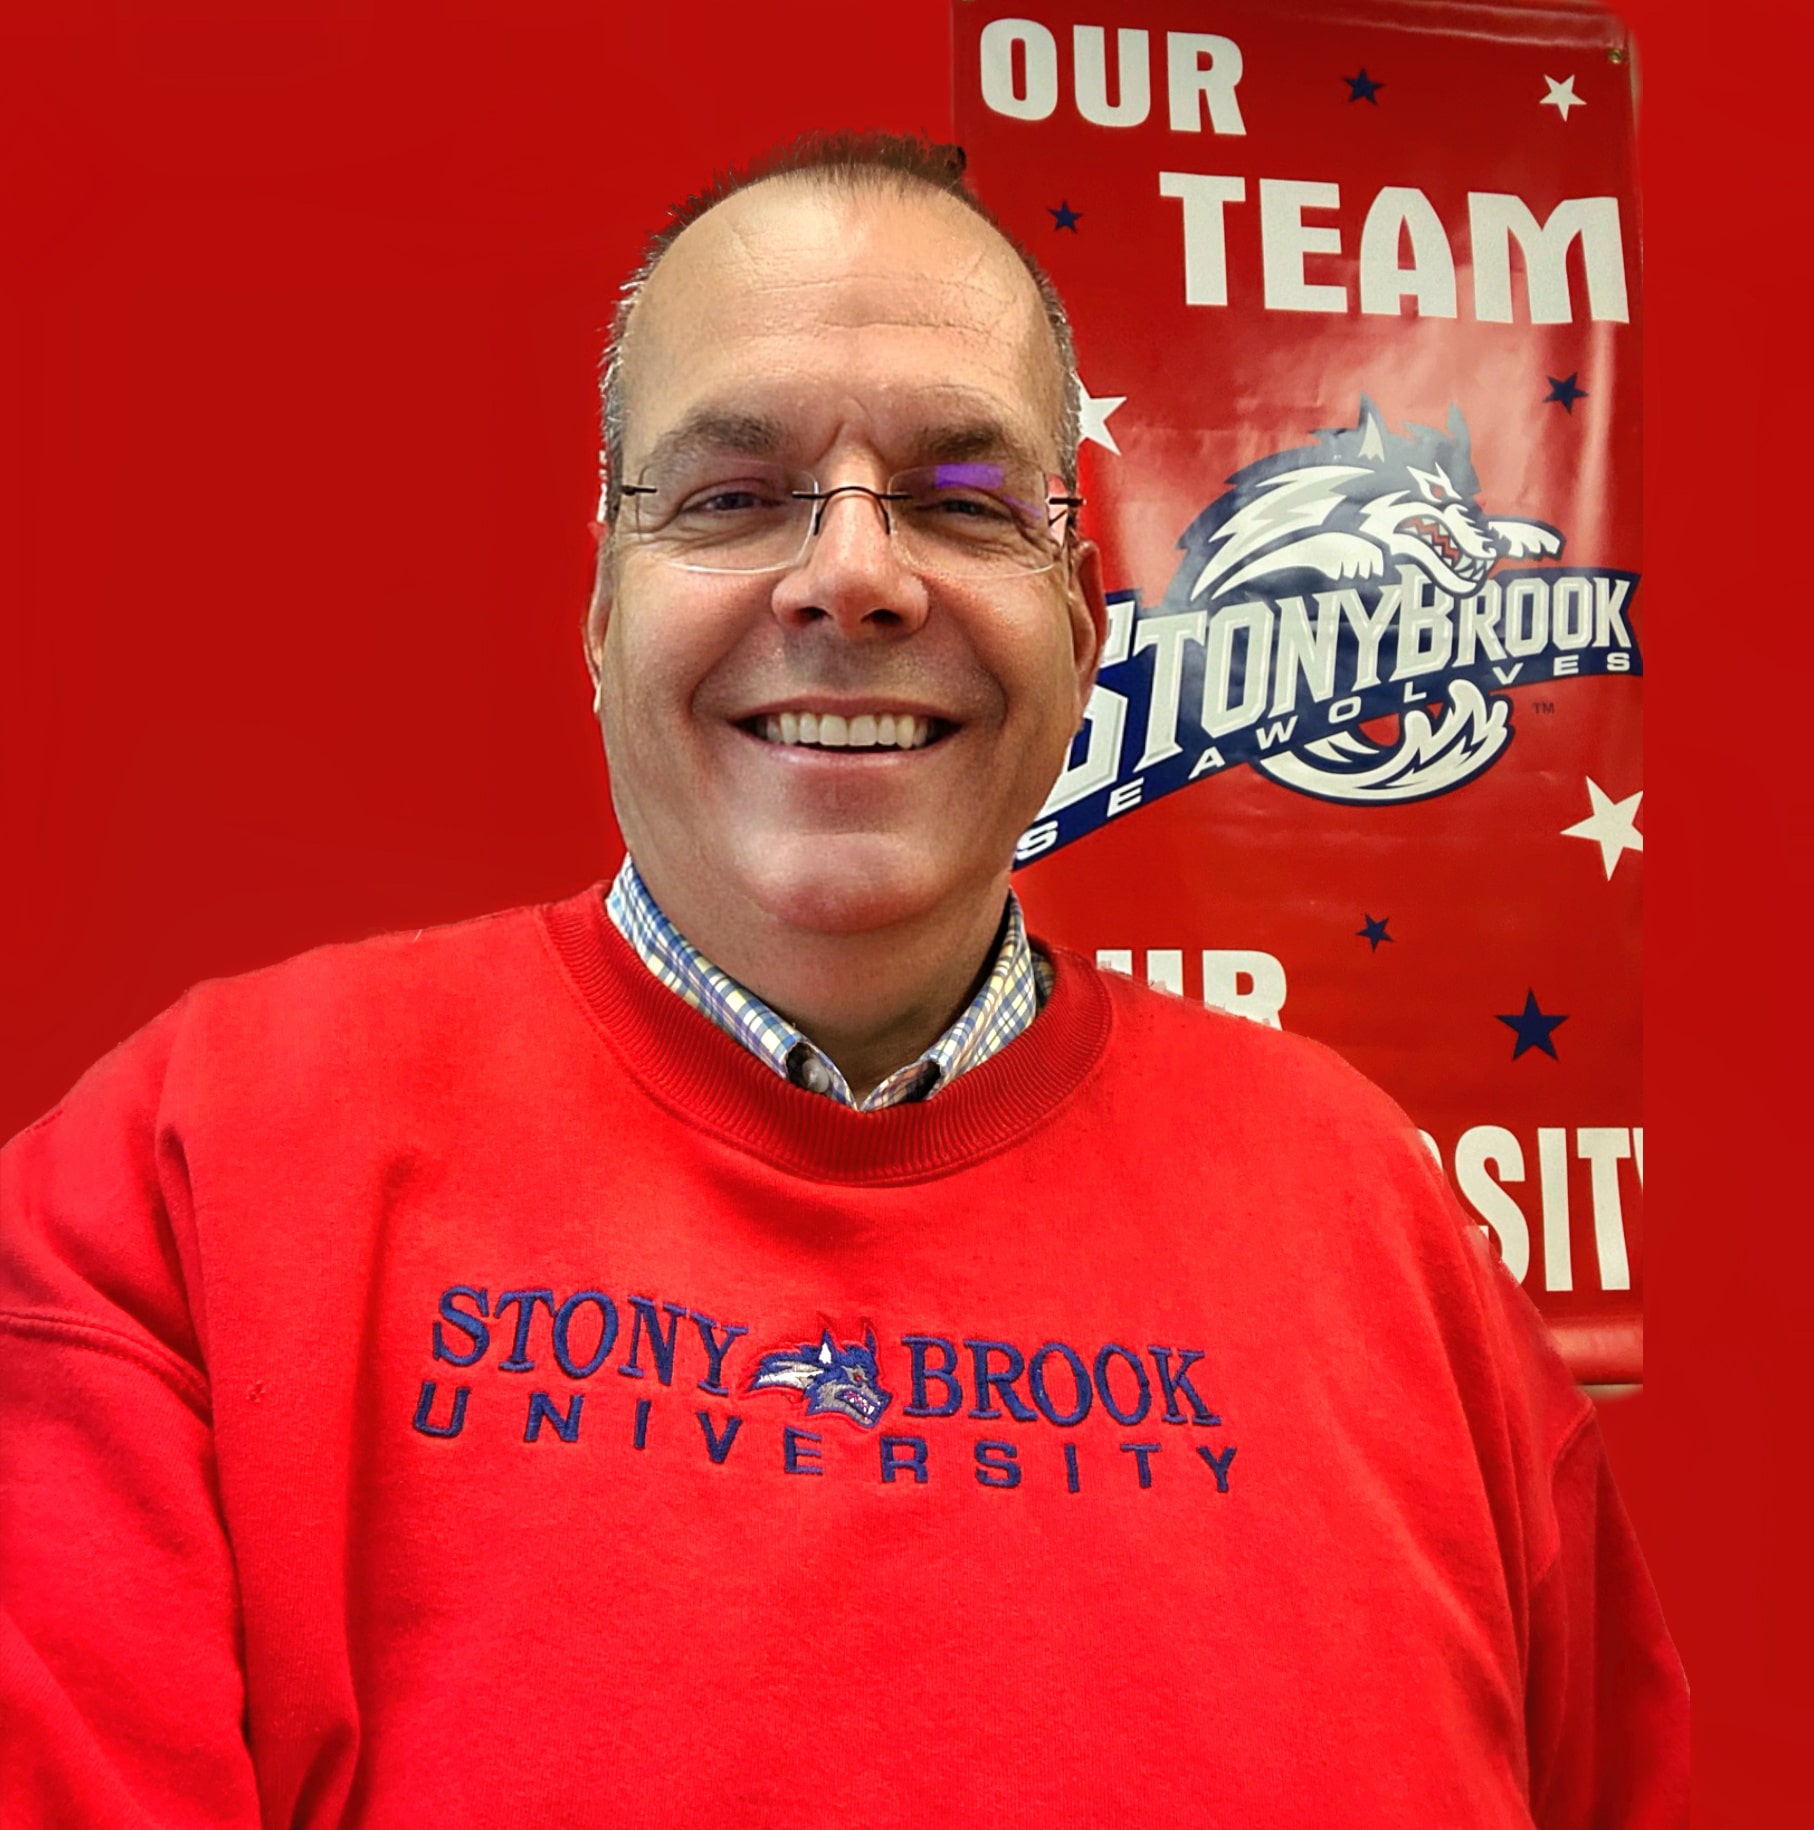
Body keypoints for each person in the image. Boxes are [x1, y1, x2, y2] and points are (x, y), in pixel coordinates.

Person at [0, 132, 1684, 1826]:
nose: (855, 575)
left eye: (965, 499)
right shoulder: (191, 1176)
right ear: (599, 612)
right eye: (732, 497)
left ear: (1085, 629)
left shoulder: (1386, 1235)